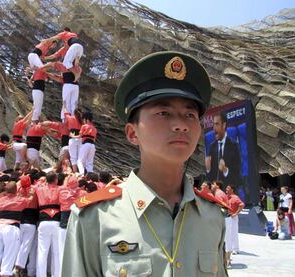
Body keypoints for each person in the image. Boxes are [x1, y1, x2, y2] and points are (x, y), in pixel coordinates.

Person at [62, 51, 229, 276]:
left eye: (190, 115)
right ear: (132, 133)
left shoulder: (213, 217)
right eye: (163, 112)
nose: (181, 124)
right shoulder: (94, 218)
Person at [205, 112, 242, 188]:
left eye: (217, 124)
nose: (214, 128)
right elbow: (209, 177)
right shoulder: (212, 146)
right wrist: (208, 169)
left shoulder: (234, 146)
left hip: (229, 190)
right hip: (214, 191)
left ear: (224, 125)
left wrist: (225, 170)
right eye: (213, 125)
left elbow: (238, 175)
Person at [35, 171, 61, 277]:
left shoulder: (39, 189)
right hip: (56, 222)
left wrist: (42, 180)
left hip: (44, 222)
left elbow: (35, 185)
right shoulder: (61, 189)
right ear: (56, 180)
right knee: (56, 252)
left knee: (42, 252)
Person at [225, 184, 245, 267]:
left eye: (228, 188)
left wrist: (236, 213)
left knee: (233, 233)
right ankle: (232, 249)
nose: (226, 189)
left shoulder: (235, 197)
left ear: (232, 190)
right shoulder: (226, 196)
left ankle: (236, 249)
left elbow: (242, 205)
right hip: (227, 217)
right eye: (226, 188)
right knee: (228, 235)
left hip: (233, 217)